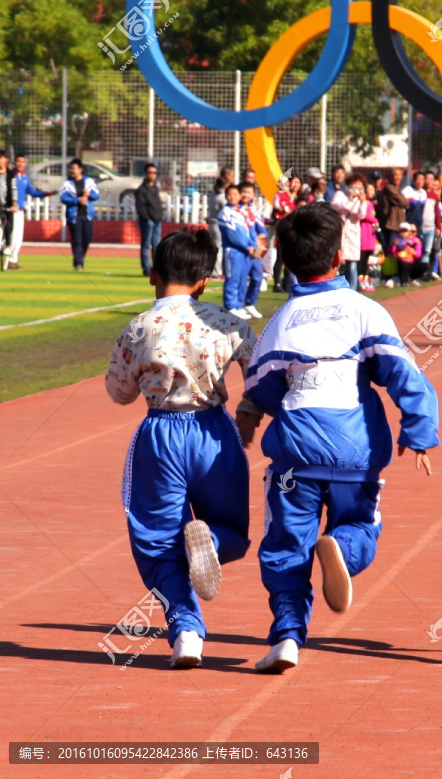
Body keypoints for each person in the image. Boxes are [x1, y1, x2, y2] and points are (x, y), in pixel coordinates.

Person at [245, 203, 439, 673]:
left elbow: (261, 387)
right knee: (360, 526)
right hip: (356, 452)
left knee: (286, 544)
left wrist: (279, 408)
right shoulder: (365, 311)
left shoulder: (281, 321)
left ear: (287, 261)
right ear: (338, 256)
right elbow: (401, 374)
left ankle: (288, 635)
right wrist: (419, 430)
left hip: (294, 458)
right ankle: (343, 551)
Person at [105, 228, 261, 669]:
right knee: (232, 529)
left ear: (152, 274)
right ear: (205, 281)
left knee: (157, 540)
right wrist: (250, 405)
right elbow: (262, 372)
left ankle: (186, 631)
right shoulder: (226, 322)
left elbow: (118, 392)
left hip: (161, 434)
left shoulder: (137, 327)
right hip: (214, 434)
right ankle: (210, 539)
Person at [5, 154, 52, 270]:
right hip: (11, 210)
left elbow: (32, 191)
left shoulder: (24, 178)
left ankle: (13, 260)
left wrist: (47, 194)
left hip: (20, 210)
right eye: (18, 161)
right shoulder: (10, 176)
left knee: (19, 236)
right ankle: (8, 258)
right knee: (12, 235)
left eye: (23, 162)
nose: (20, 164)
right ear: (14, 162)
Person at [218, 184, 256, 319]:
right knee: (232, 278)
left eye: (235, 194)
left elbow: (249, 230)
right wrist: (247, 246)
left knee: (242, 279)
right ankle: (230, 306)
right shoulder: (225, 213)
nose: (233, 197)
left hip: (245, 251)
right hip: (233, 251)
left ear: (240, 196)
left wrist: (252, 243)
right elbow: (232, 234)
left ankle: (239, 305)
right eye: (230, 194)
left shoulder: (243, 212)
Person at [60, 157, 100, 272]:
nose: (72, 171)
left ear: (80, 169)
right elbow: (63, 198)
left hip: (87, 215)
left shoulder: (89, 181)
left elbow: (96, 195)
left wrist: (89, 195)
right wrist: (77, 200)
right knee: (77, 240)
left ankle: (79, 258)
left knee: (86, 239)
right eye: (70, 169)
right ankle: (79, 264)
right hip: (74, 216)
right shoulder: (67, 183)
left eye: (74, 168)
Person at [331, 172, 367, 291]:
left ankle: (352, 290)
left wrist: (362, 202)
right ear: (348, 185)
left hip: (353, 235)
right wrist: (349, 200)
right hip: (339, 233)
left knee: (352, 266)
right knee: (335, 263)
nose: (357, 187)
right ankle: (332, 289)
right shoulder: (340, 195)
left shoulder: (362, 200)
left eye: (359, 185)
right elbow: (334, 206)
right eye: (354, 184)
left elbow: (361, 215)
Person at [238, 181, 268, 319]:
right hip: (243, 249)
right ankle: (238, 306)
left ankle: (250, 303)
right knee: (241, 278)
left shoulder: (254, 210)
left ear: (253, 195)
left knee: (257, 277)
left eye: (248, 192)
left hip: (254, 250)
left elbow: (261, 226)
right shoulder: (236, 210)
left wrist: (262, 234)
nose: (245, 195)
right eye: (243, 191)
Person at [135, 163, 164, 277]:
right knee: (146, 244)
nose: (152, 175)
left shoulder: (155, 188)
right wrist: (147, 218)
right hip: (148, 221)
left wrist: (159, 216)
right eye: (150, 173)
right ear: (145, 174)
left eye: (155, 173)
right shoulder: (141, 190)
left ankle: (156, 267)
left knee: (157, 245)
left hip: (157, 220)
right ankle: (146, 267)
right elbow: (140, 207)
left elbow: (157, 204)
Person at [271, 175, 298, 293]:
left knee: (289, 257)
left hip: (290, 228)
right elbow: (278, 206)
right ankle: (276, 283)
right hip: (282, 228)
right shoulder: (278, 195)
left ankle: (286, 283)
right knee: (280, 257)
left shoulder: (289, 197)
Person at [376, 166, 408, 255]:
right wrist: (405, 201)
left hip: (398, 225)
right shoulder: (389, 188)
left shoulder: (398, 188)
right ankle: (390, 269)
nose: (398, 178)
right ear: (390, 176)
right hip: (391, 225)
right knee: (391, 251)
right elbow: (404, 202)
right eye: (395, 175)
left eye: (400, 175)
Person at [0, 151, 18, 262]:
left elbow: (13, 189)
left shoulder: (11, 175)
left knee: (8, 224)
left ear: (6, 160)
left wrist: (14, 204)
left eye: (1, 158)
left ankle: (7, 246)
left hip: (7, 205)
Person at [358, 181, 379, 292]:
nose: (371, 192)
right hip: (363, 233)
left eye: (373, 189)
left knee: (367, 260)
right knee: (362, 260)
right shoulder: (363, 202)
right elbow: (363, 215)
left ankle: (366, 281)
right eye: (369, 189)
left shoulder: (371, 203)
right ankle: (360, 282)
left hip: (370, 234)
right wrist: (375, 220)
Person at [388, 222, 423, 287]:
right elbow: (392, 251)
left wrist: (413, 250)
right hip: (401, 258)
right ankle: (403, 282)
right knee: (403, 271)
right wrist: (393, 245)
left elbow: (418, 254)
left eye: (405, 231)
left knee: (407, 270)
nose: (403, 233)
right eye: (402, 231)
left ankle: (407, 281)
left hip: (409, 259)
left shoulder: (412, 240)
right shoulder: (397, 239)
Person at [422, 171, 442, 280]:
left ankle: (427, 273)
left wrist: (438, 227)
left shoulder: (434, 196)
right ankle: (420, 273)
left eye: (431, 179)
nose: (429, 181)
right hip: (420, 227)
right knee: (420, 251)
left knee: (428, 251)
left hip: (431, 227)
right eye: (427, 178)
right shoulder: (419, 193)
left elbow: (437, 213)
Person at [207, 177, 229, 279]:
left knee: (213, 248)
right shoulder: (222, 197)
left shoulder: (212, 195)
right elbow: (225, 212)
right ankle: (217, 272)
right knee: (218, 249)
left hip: (211, 223)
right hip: (218, 224)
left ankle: (213, 270)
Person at [403, 171, 427, 235]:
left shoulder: (424, 193)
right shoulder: (407, 190)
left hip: (419, 225)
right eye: (418, 179)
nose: (419, 181)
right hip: (408, 223)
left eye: (422, 179)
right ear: (414, 180)